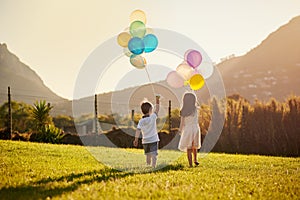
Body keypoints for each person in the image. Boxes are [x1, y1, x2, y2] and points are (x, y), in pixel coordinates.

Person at [133, 95, 160, 167]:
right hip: (153, 140)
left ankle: (148, 165)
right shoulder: (153, 117)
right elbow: (157, 109)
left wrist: (136, 139)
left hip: (145, 141)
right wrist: (157, 100)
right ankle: (153, 166)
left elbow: (138, 130)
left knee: (148, 155)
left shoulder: (141, 121)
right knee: (154, 154)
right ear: (151, 110)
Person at [178, 92, 201, 167]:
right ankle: (195, 159)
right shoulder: (196, 109)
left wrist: (180, 130)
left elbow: (182, 123)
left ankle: (190, 164)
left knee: (189, 147)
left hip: (188, 129)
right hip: (195, 128)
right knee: (194, 146)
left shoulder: (183, 111)